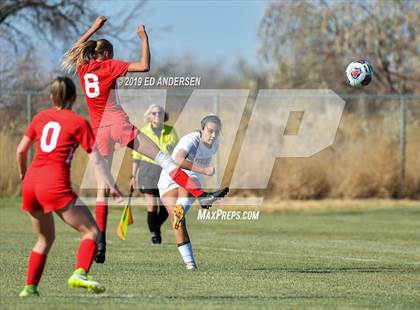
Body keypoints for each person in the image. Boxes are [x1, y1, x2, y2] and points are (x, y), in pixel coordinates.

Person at [61, 16, 228, 263]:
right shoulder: (109, 65)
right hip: (117, 123)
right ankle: (200, 194)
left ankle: (101, 242)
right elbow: (144, 66)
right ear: (106, 53)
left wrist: (94, 28)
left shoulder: (83, 69)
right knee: (165, 159)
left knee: (101, 190)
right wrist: (143, 39)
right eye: (112, 53)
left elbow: (76, 48)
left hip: (99, 131)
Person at [17, 77, 122, 297]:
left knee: (44, 238)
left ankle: (30, 288)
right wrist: (112, 185)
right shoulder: (78, 122)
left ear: (51, 97)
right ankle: (80, 273)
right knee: (91, 231)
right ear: (74, 98)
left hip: (31, 183)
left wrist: (23, 175)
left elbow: (21, 150)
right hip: (54, 183)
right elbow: (96, 159)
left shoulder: (39, 118)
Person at [158, 114, 228, 270]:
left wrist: (199, 171)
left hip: (191, 177)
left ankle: (190, 264)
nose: (213, 135)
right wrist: (204, 170)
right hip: (169, 177)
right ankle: (189, 261)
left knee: (179, 217)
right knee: (177, 221)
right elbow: (178, 160)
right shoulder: (191, 139)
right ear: (202, 129)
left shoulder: (215, 143)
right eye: (210, 131)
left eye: (216, 131)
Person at [131, 105, 178, 244]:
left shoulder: (171, 131)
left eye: (160, 113)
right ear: (149, 115)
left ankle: (154, 225)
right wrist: (132, 176)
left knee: (166, 207)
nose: (157, 115)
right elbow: (136, 157)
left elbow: (176, 153)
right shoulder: (143, 132)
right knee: (152, 206)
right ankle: (155, 235)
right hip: (147, 171)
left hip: (165, 171)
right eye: (154, 113)